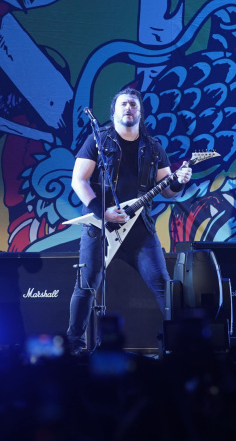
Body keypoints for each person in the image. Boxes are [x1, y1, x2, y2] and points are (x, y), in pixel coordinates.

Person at [67, 88, 192, 354]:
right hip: (100, 228)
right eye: (123, 104)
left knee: (164, 286)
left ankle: (181, 345)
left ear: (140, 112)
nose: (129, 108)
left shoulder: (153, 146)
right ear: (114, 111)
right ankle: (74, 346)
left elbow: (167, 189)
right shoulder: (98, 139)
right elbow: (79, 180)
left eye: (133, 105)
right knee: (86, 285)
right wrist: (103, 212)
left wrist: (179, 182)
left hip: (140, 228)